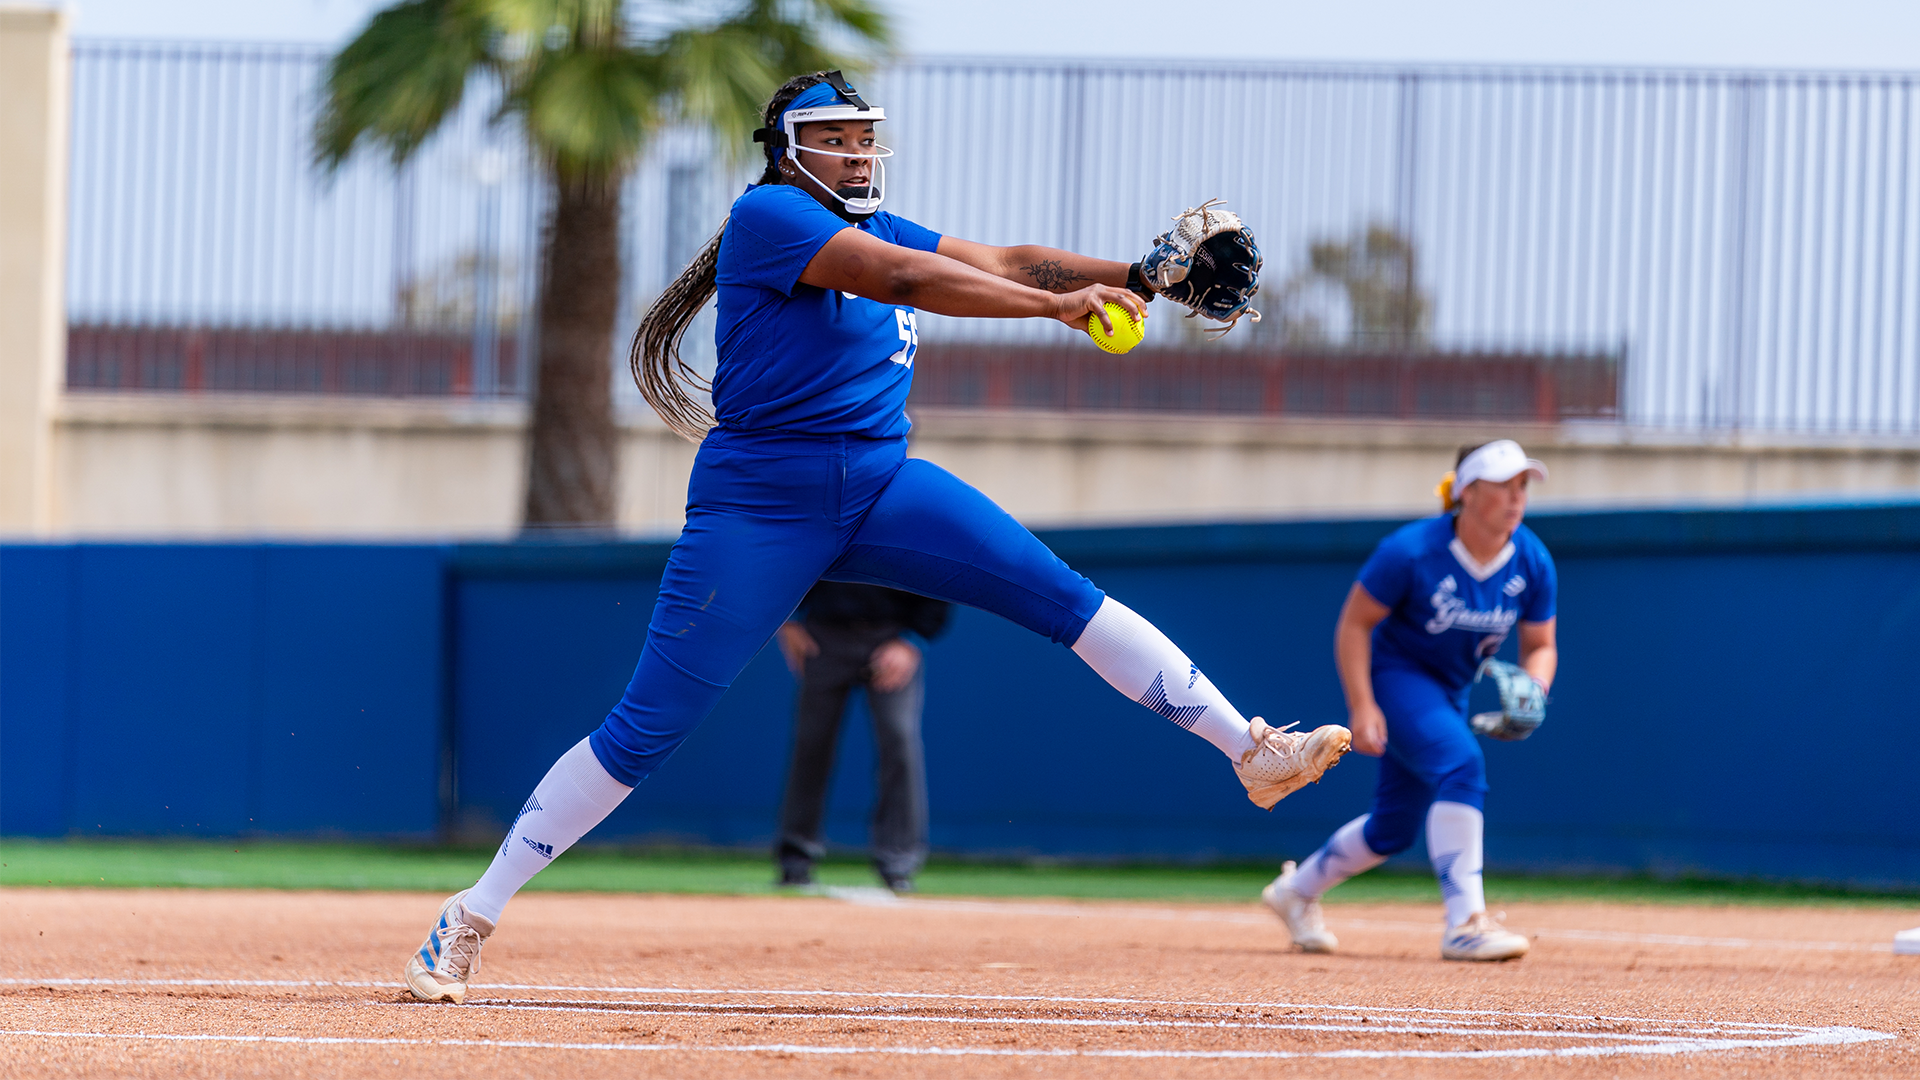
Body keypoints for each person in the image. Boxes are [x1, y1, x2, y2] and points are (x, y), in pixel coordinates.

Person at [403, 69, 1350, 1004]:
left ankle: (1251, 750)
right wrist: (1057, 309)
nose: (857, 153)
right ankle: (472, 913)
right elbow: (906, 279)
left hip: (883, 483)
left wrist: (1139, 276)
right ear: (789, 149)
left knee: (1067, 598)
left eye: (865, 137)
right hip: (759, 504)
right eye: (836, 138)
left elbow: (1010, 261)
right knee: (646, 731)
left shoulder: (877, 225)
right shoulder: (769, 218)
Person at [1261, 440, 1559, 963]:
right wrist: (1364, 704)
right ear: (1466, 492)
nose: (1518, 496)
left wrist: (1536, 687)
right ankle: (1466, 923)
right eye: (1504, 484)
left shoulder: (1531, 558)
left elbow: (1541, 646)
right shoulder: (1412, 550)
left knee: (1392, 828)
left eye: (1523, 485)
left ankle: (1295, 891)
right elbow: (1354, 624)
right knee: (1463, 765)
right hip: (1397, 679)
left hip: (1450, 692)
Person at [774, 582, 950, 893]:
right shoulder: (820, 528)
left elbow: (936, 573)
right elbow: (790, 559)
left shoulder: (908, 530)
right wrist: (784, 621)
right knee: (810, 746)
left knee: (900, 743)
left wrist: (911, 639)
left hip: (890, 638)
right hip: (823, 636)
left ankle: (898, 864)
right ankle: (795, 861)